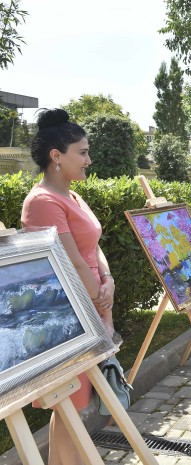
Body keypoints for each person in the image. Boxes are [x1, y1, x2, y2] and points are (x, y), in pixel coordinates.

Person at [21, 108, 115, 465]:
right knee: (70, 403)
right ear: (56, 156)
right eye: (83, 152)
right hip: (71, 316)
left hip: (94, 301)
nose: (89, 159)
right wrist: (99, 299)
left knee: (75, 404)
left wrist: (109, 281)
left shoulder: (73, 195)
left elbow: (93, 248)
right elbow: (70, 262)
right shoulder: (42, 202)